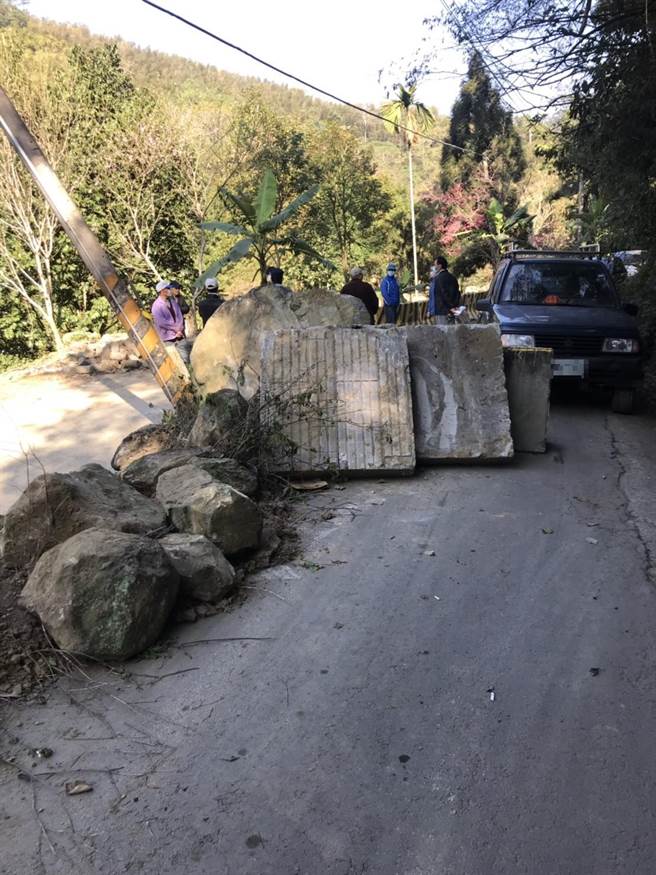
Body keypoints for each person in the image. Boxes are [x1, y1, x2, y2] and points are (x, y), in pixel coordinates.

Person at [151, 279, 191, 363]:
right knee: (174, 362)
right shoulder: (156, 306)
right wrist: (176, 329)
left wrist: (180, 329)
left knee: (186, 359)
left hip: (179, 334)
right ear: (162, 291)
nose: (170, 290)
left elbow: (179, 315)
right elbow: (162, 322)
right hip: (168, 337)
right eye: (168, 288)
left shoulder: (172, 301)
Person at [428, 256, 460, 324]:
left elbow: (443, 294)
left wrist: (450, 307)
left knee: (443, 331)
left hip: (441, 311)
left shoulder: (437, 279)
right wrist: (454, 306)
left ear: (440, 266)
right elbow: (457, 293)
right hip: (453, 310)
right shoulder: (453, 277)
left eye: (435, 265)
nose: (434, 267)